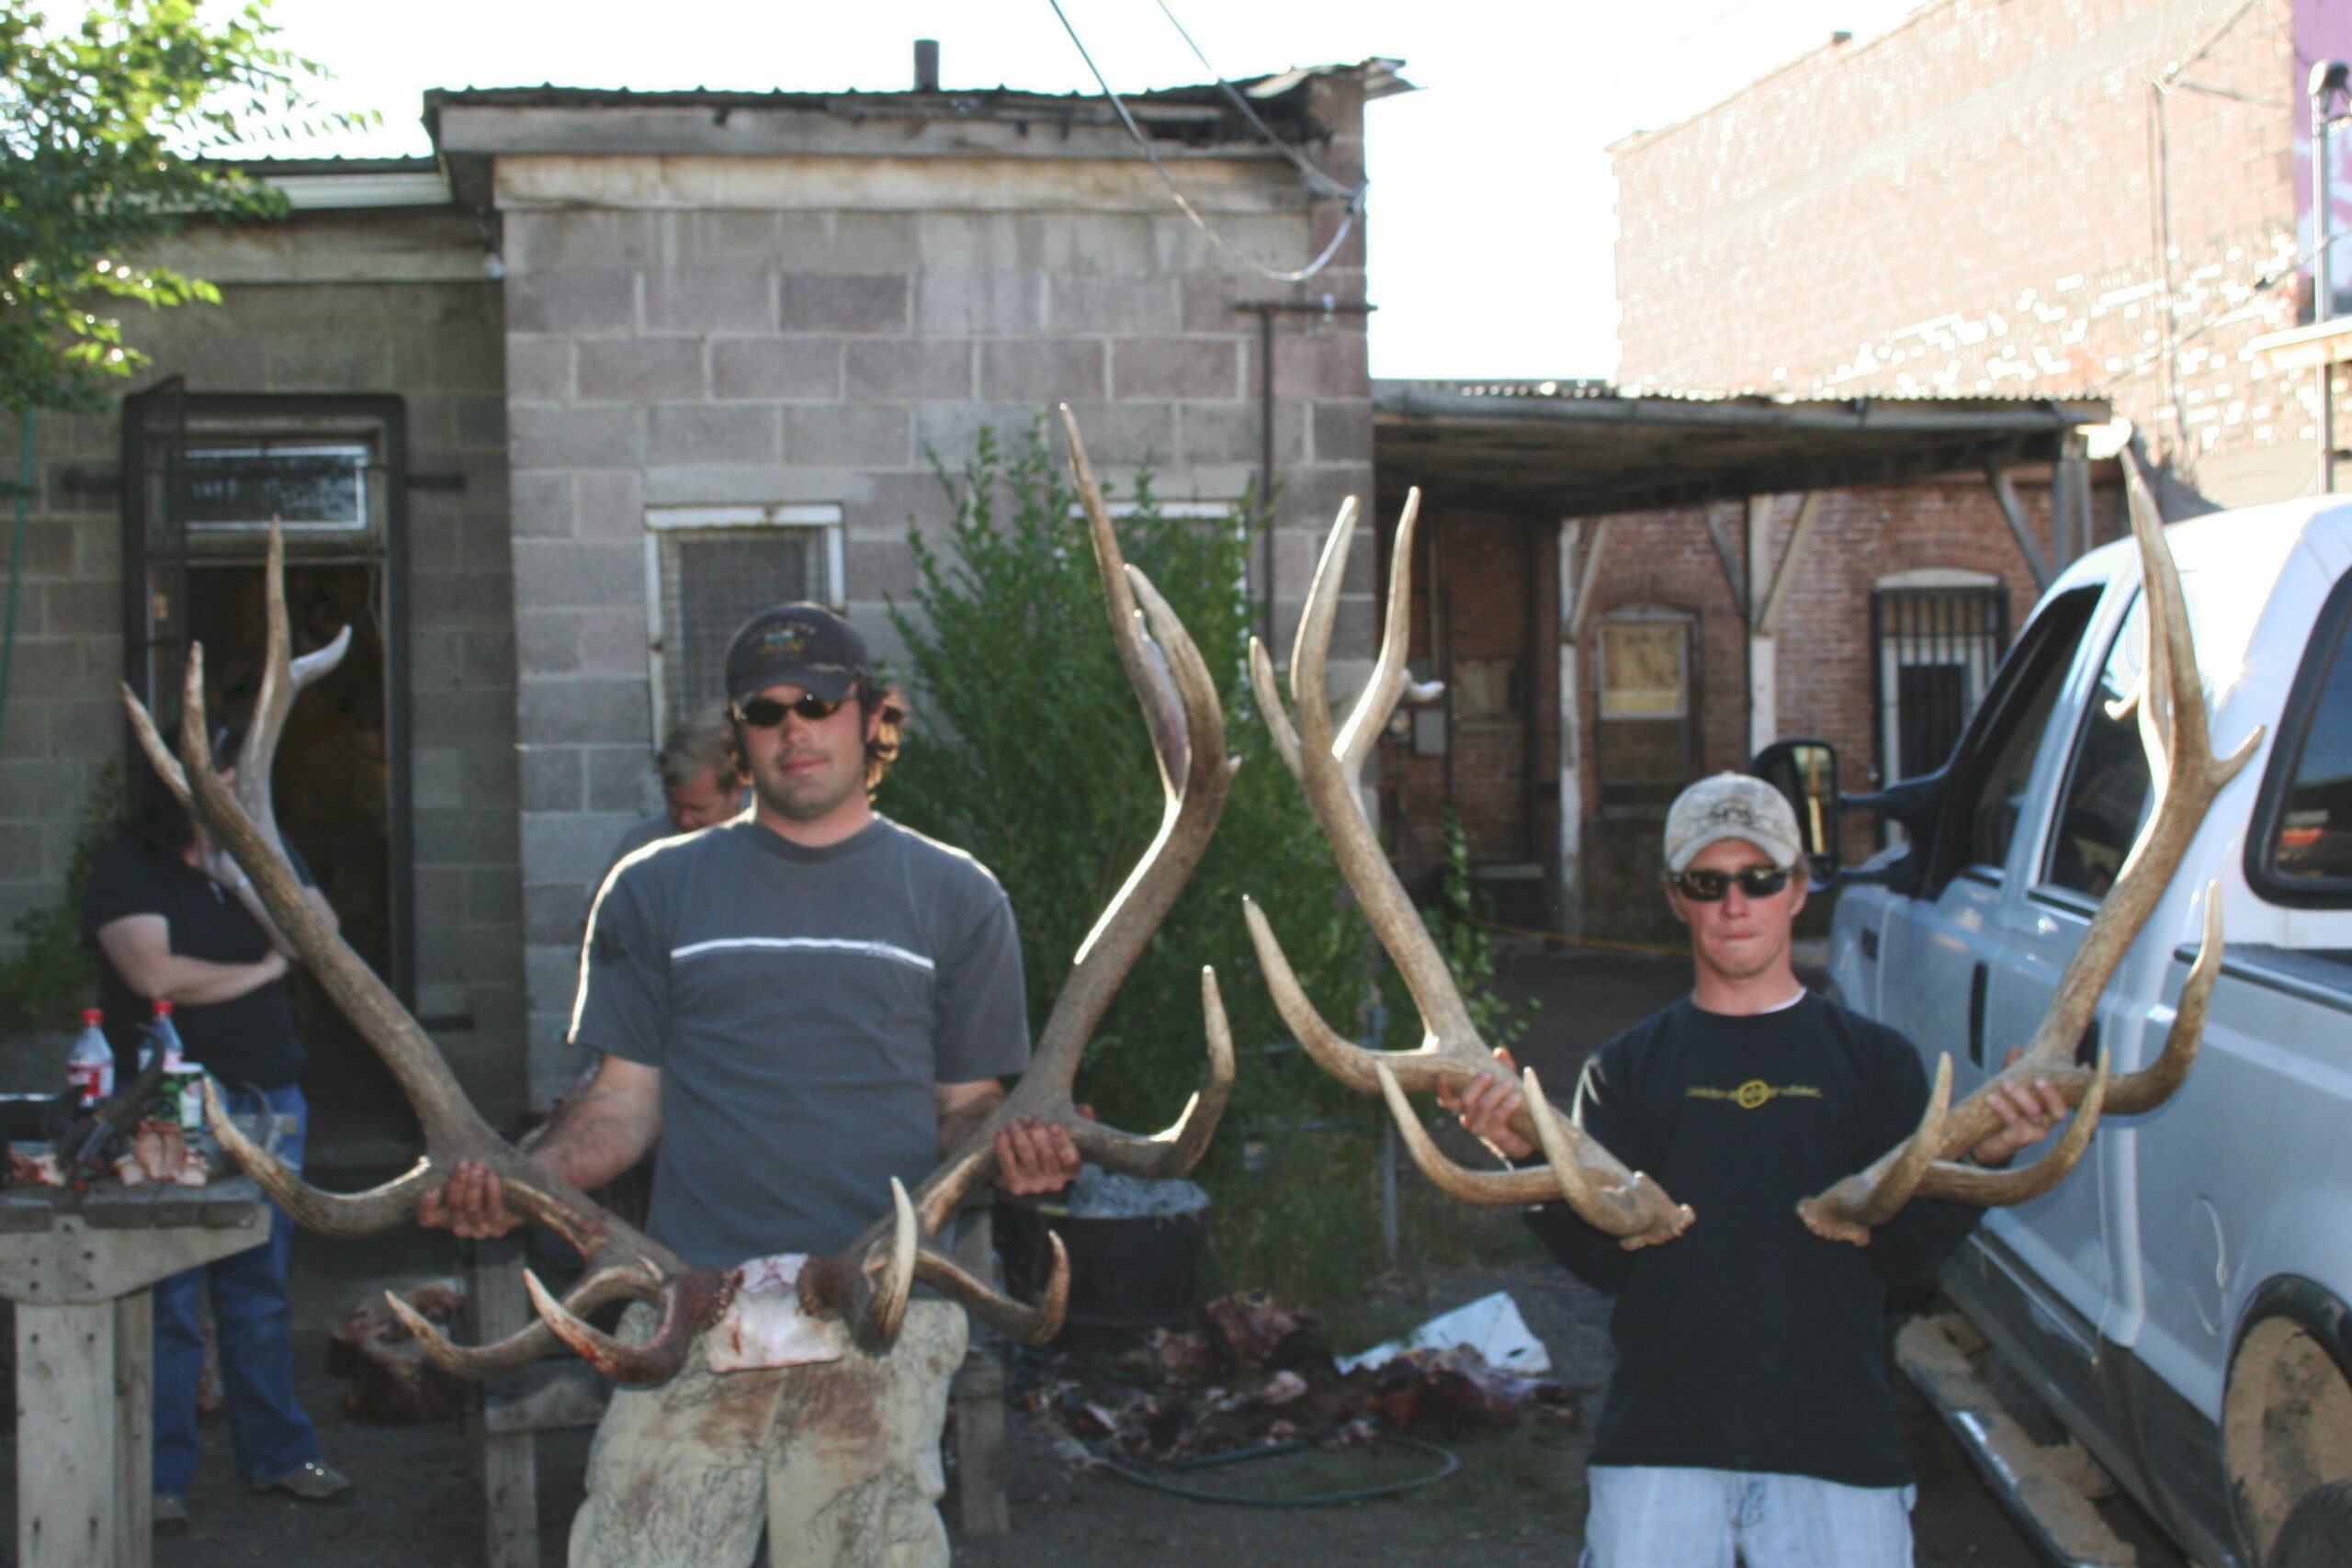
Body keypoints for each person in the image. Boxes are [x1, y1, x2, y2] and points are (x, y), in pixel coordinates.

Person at [422, 603, 1080, 1568]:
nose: (793, 728)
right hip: (689, 1304)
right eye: (764, 712)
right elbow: (619, 1102)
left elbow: (964, 1105)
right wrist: (524, 1178)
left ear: (869, 715)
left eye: (817, 701)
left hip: (876, 1312)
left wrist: (1014, 1141)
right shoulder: (653, 888)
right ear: (741, 737)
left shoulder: (956, 895)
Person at [1442, 773, 2070, 1568]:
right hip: (1660, 1452)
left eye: (1760, 878)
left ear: (1798, 890)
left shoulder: (1876, 1064)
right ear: (1677, 897)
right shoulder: (1627, 1070)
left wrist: (1984, 1153)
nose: (1735, 903)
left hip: (1837, 1455)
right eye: (1709, 882)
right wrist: (1528, 1151)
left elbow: (1903, 1255)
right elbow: (1608, 1262)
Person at [82, 725, 352, 1532]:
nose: (240, 792)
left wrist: (243, 873)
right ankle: (161, 1475)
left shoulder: (259, 855)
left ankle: (278, 1455)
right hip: (172, 1102)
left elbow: (321, 939)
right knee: (170, 1294)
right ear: (180, 779)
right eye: (227, 777)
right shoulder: (130, 861)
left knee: (259, 1288)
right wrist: (267, 969)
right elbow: (155, 973)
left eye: (247, 778)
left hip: (271, 1095)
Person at [602, 705, 746, 873]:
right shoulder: (641, 849)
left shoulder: (771, 848)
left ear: (736, 790)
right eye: (676, 806)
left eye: (697, 809)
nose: (684, 820)